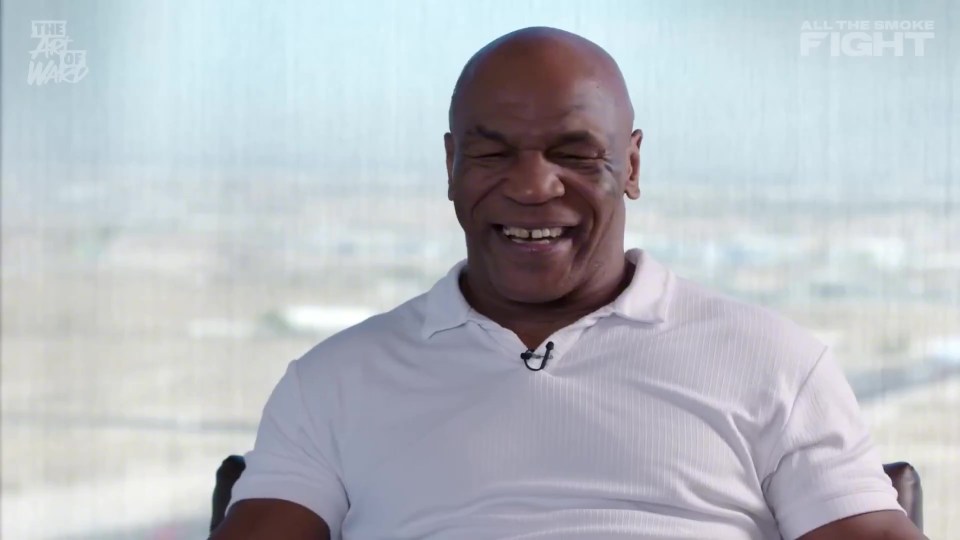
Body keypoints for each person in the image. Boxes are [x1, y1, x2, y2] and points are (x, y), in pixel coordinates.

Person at [211, 27, 924, 540]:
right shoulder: (332, 381)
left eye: (573, 153)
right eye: (493, 153)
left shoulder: (773, 362)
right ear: (452, 165)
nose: (531, 185)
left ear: (633, 165)